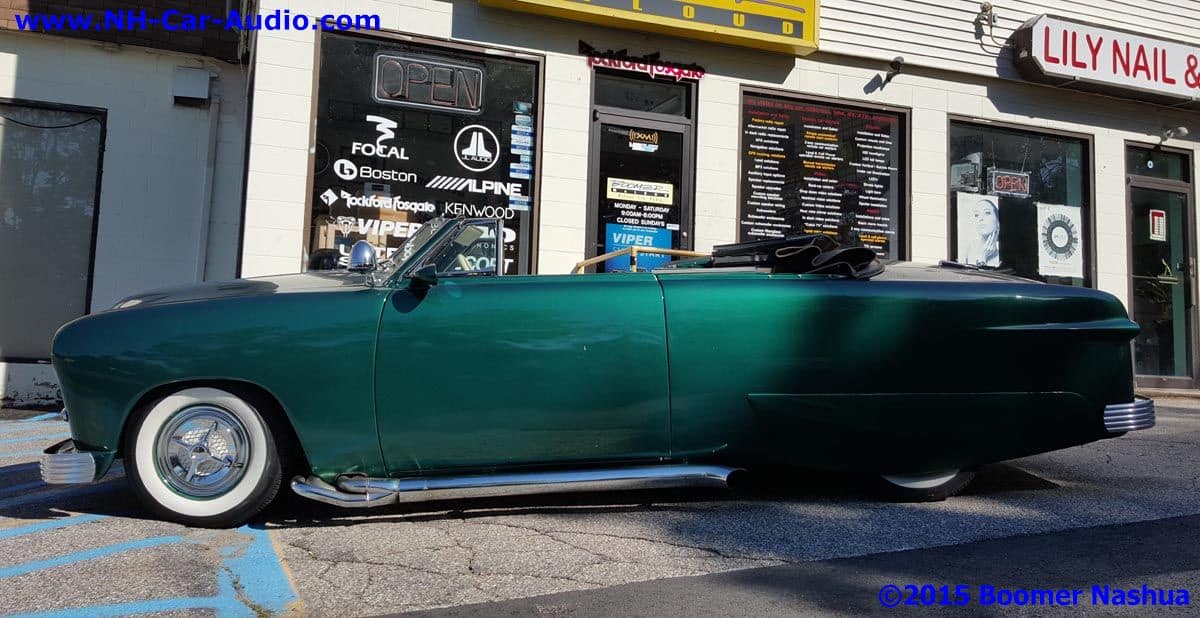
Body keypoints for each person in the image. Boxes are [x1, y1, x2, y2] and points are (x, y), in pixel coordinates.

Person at [961, 198, 1000, 267]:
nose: (981, 218)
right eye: (977, 215)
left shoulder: (1005, 253)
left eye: (987, 213)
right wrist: (982, 257)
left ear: (997, 220)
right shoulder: (967, 250)